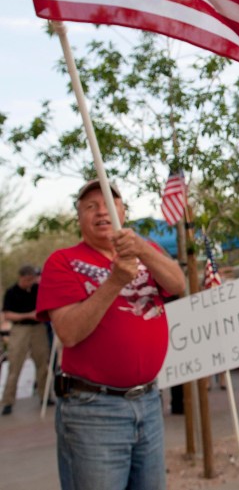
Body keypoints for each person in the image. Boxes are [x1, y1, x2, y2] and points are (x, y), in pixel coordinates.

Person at [36, 179, 186, 490]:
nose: (101, 211)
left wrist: (143, 248)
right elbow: (69, 333)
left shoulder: (148, 251)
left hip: (148, 401)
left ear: (122, 211)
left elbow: (178, 285)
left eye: (108, 204)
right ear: (79, 217)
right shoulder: (63, 262)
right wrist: (115, 281)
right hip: (93, 409)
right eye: (91, 206)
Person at [1, 265, 51, 415]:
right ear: (22, 277)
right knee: (15, 365)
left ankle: (46, 396)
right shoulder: (12, 292)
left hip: (38, 329)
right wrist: (28, 315)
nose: (31, 281)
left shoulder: (38, 289)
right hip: (20, 329)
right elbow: (8, 315)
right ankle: (8, 401)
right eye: (28, 278)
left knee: (43, 363)